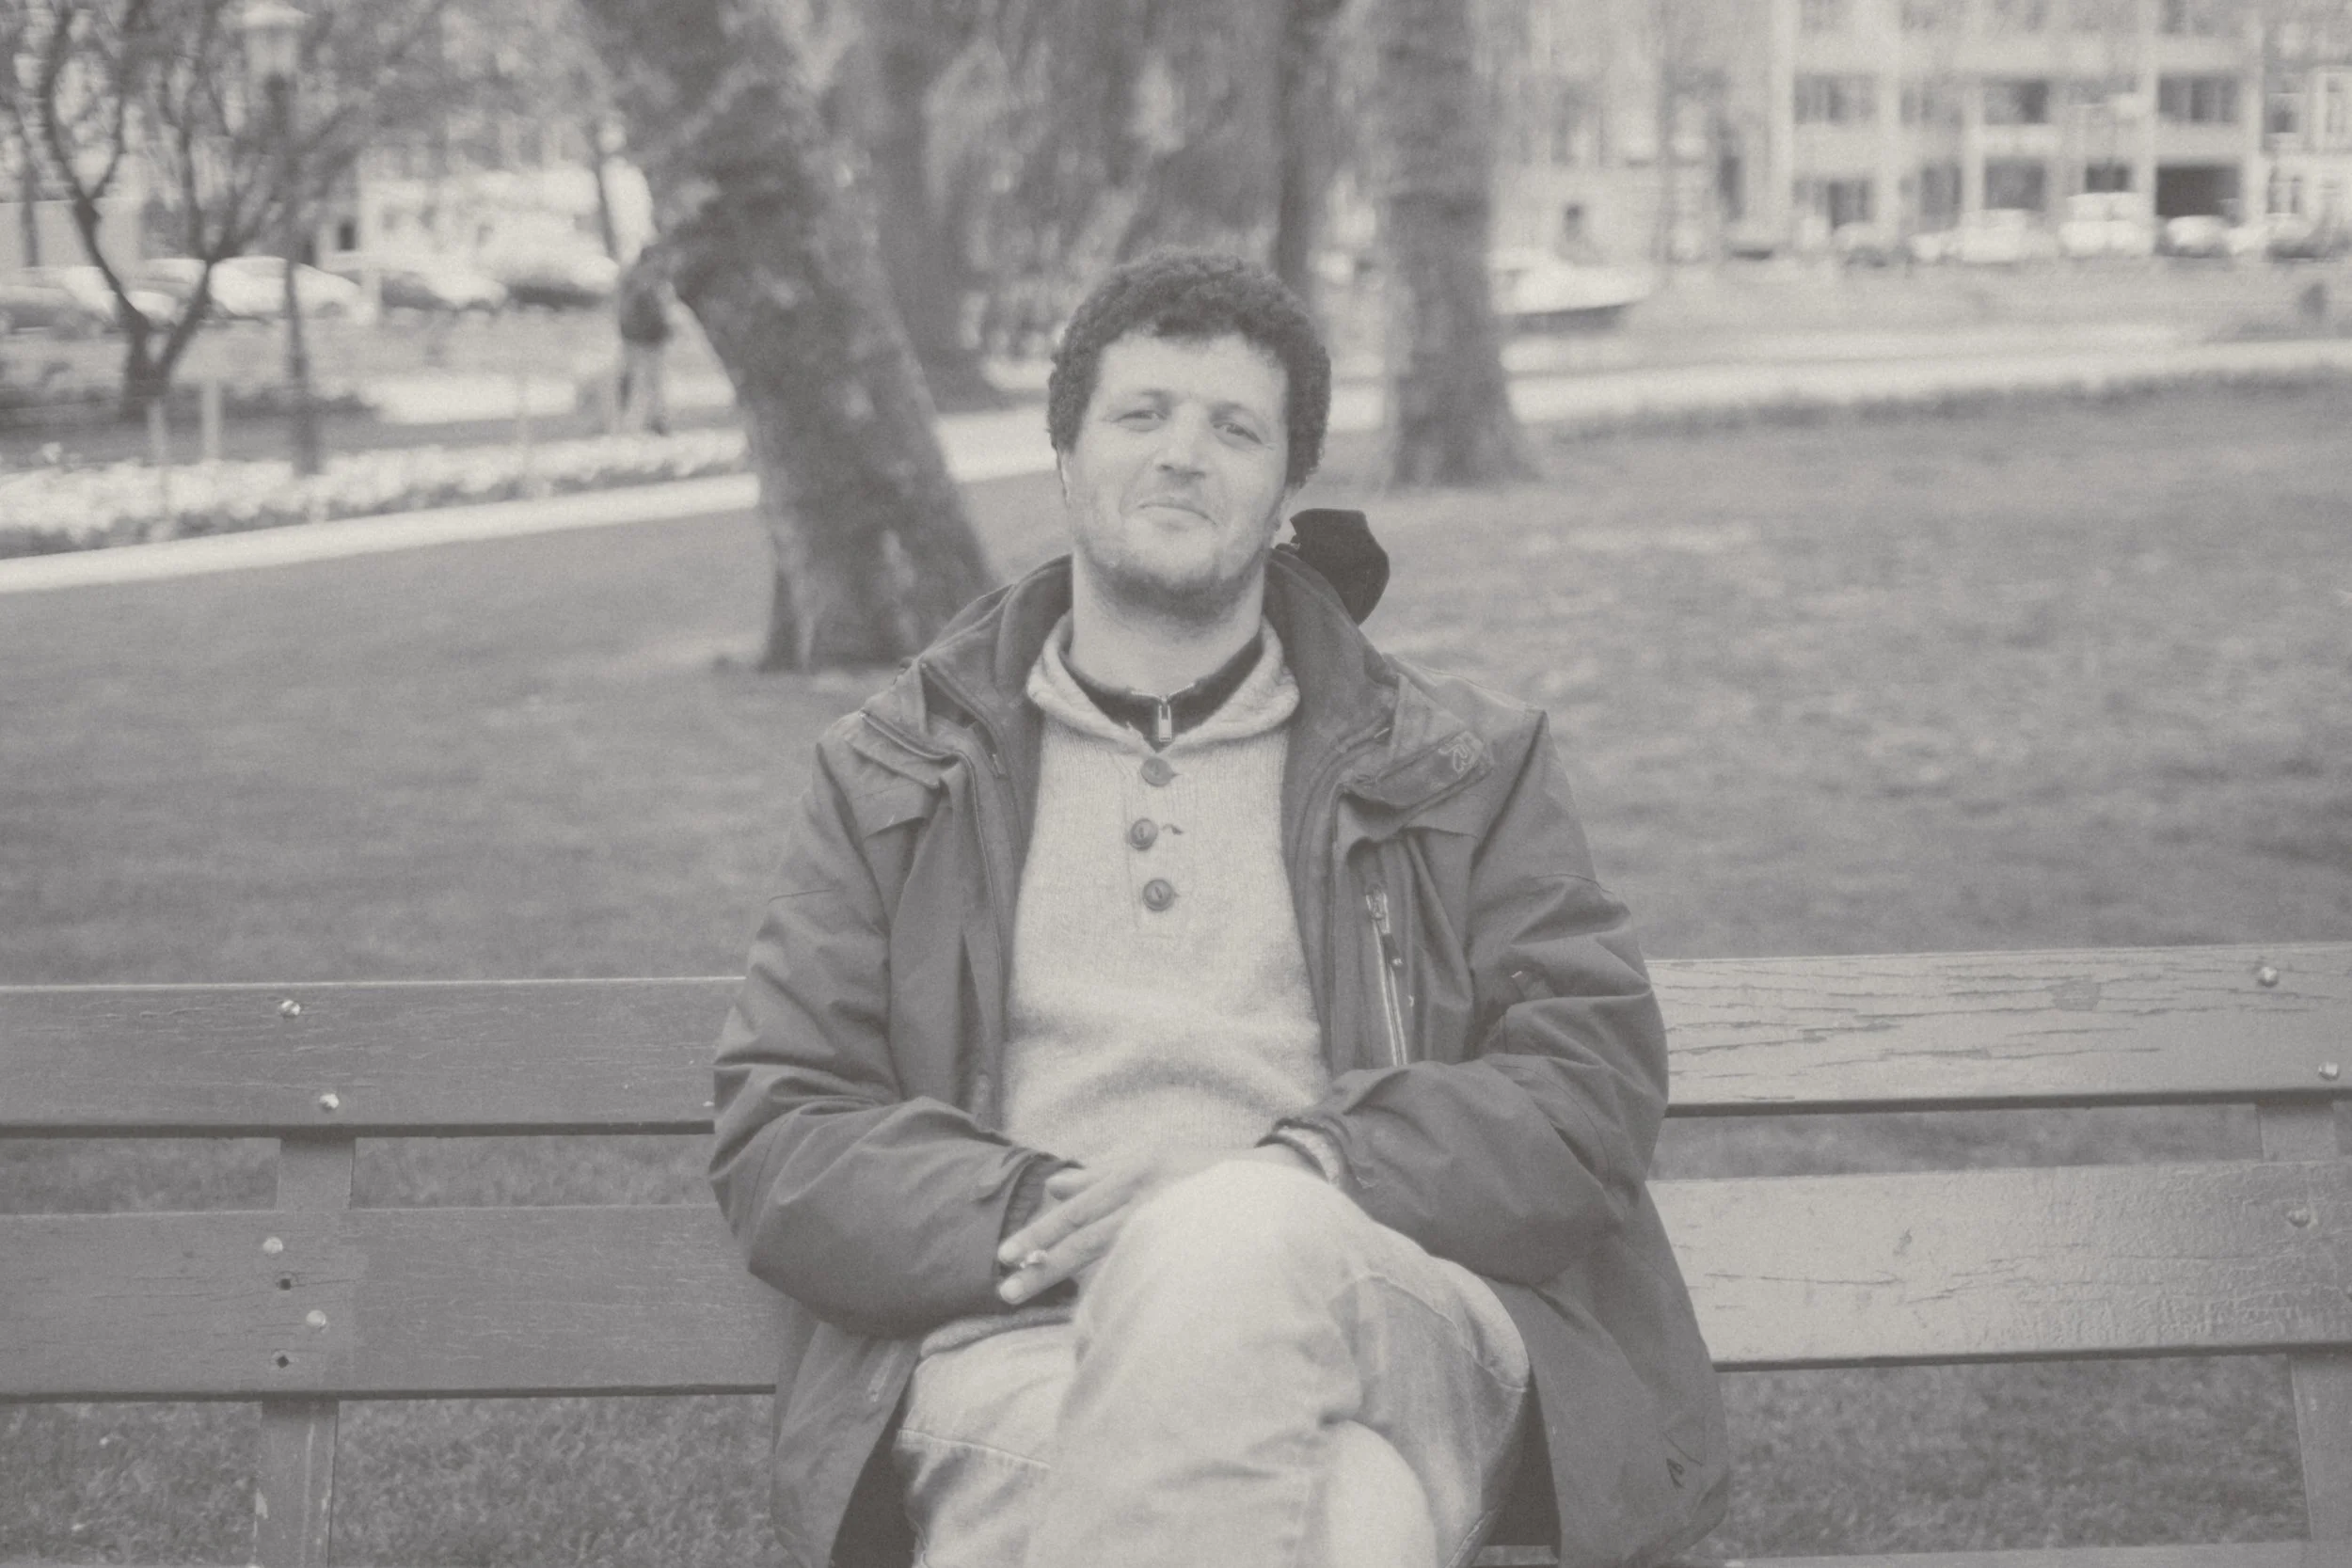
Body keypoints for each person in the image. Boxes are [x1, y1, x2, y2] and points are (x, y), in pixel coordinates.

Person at [710, 250, 1727, 1568]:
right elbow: (787, 1127)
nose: (1183, 454)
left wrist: (1302, 1168)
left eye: (1235, 428)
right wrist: (1037, 1207)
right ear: (1066, 451)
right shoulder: (894, 774)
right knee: (1348, 1511)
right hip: (1019, 1337)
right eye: (1141, 414)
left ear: (1287, 482)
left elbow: (1585, 1091)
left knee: (1240, 1232)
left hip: (1383, 1297)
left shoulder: (1458, 765)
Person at [615, 245, 671, 435]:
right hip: (642, 335)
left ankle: (652, 419)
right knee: (642, 378)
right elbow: (654, 309)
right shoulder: (644, 280)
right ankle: (646, 419)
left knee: (644, 378)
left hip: (641, 335)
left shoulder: (635, 278)